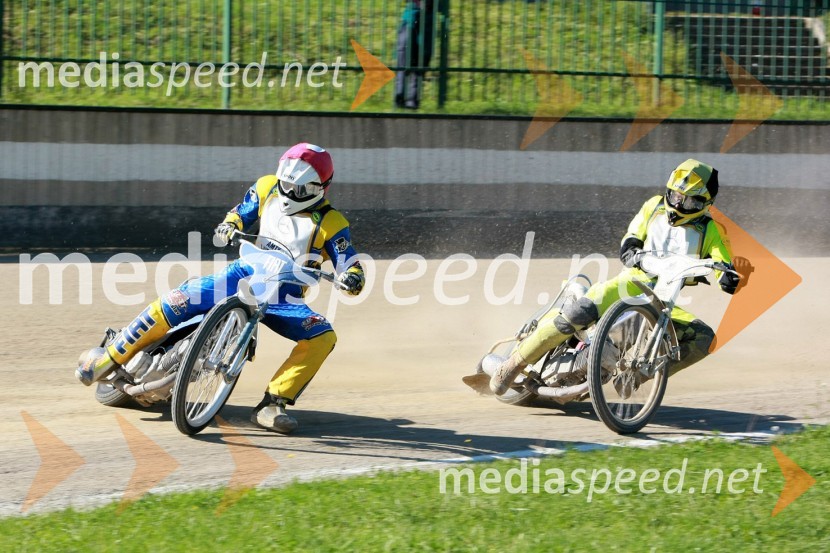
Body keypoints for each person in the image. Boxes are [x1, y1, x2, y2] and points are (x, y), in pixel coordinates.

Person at [76, 143, 366, 434]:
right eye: (286, 184)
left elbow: (348, 261)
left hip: (285, 296)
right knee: (178, 299)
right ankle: (110, 357)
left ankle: (273, 403)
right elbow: (241, 213)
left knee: (323, 337)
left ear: (321, 188)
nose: (290, 193)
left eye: (300, 190)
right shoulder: (266, 187)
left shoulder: (333, 223)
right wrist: (230, 224)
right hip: (243, 272)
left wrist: (352, 277)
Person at [491, 159, 745, 395]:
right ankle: (513, 364)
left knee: (704, 338)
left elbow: (724, 263)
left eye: (689, 202)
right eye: (676, 196)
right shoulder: (653, 206)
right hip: (629, 283)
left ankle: (639, 376)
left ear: (704, 205)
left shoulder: (712, 229)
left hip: (664, 301)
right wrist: (634, 253)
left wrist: (729, 277)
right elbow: (630, 241)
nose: (678, 205)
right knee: (578, 314)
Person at [395, 0, 436, 109]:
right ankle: (400, 98)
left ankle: (412, 100)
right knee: (404, 56)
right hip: (412, 17)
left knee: (421, 59)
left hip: (427, 16)